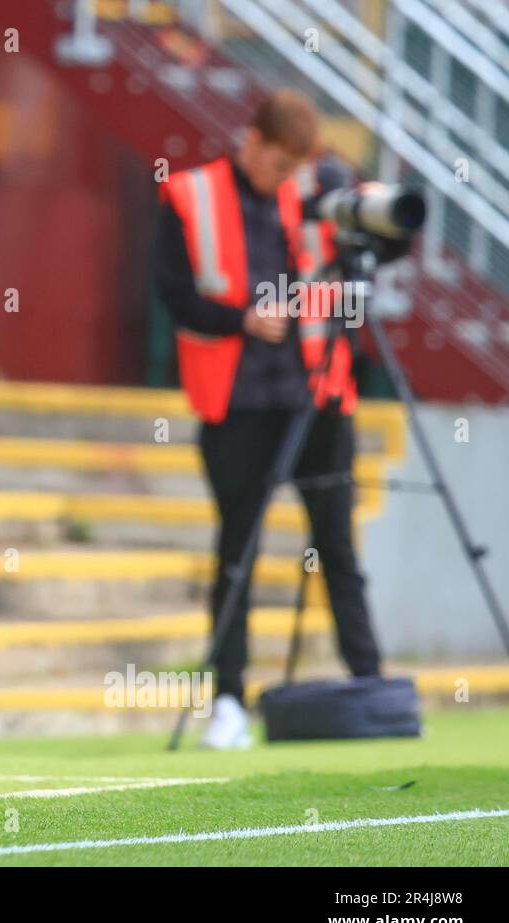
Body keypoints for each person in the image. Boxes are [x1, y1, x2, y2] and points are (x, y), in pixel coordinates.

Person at [154, 89, 382, 749]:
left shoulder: (312, 198)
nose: (286, 178)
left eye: (294, 168)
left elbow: (360, 263)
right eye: (279, 163)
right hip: (238, 402)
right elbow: (174, 295)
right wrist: (242, 320)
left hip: (317, 395)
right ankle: (228, 701)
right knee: (238, 553)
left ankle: (370, 682)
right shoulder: (189, 195)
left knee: (337, 543)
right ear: (251, 141)